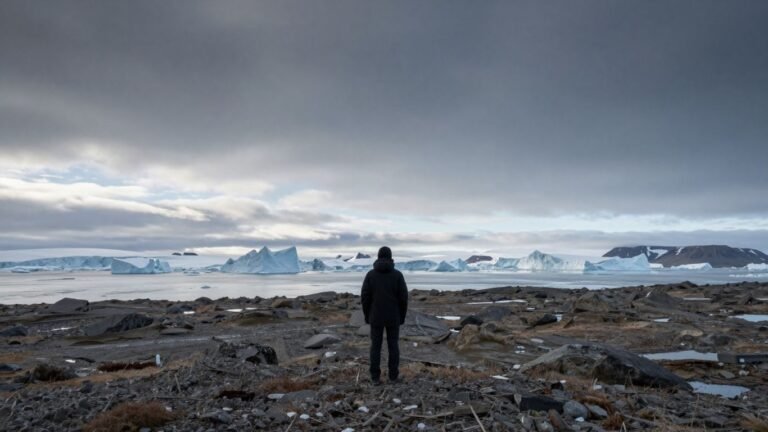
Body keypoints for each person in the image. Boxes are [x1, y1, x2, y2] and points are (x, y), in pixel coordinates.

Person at [361, 246, 408, 385]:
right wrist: (402, 316)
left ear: (378, 256)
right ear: (391, 257)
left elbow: (365, 297)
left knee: (375, 346)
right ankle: (393, 376)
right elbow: (403, 298)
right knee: (393, 346)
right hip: (393, 317)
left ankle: (375, 377)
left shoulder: (370, 275)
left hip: (376, 317)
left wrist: (367, 315)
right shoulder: (397, 275)